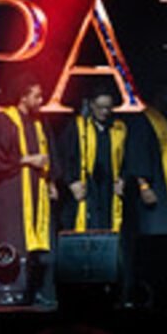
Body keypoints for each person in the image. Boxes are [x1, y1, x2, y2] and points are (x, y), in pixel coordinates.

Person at [0, 74, 59, 304]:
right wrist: (27, 160)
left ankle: (40, 292)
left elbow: (50, 154)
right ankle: (14, 293)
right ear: (23, 97)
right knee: (17, 243)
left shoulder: (40, 122)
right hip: (12, 194)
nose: (41, 100)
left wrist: (51, 182)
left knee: (42, 247)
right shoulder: (4, 121)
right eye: (36, 96)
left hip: (38, 192)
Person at [57, 86, 128, 232]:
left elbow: (128, 158)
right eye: (100, 107)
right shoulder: (78, 126)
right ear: (91, 105)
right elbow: (64, 156)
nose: (104, 112)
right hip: (86, 187)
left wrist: (124, 179)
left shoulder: (119, 128)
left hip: (109, 189)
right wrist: (71, 181)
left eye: (108, 107)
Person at [123, 91, 167, 236]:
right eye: (165, 93)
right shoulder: (144, 120)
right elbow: (138, 154)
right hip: (158, 188)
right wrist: (144, 186)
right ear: (156, 96)